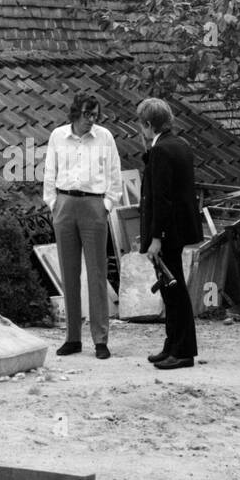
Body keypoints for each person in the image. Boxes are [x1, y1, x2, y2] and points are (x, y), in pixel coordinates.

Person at [43, 93, 122, 358]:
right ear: (76, 113)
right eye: (88, 114)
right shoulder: (57, 136)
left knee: (97, 274)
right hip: (65, 205)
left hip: (94, 206)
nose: (92, 120)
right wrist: (53, 203)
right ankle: (73, 338)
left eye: (96, 115)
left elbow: (114, 174)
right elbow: (49, 172)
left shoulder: (105, 137)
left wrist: (107, 205)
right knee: (69, 274)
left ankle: (100, 340)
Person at [136, 97, 201, 370]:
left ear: (148, 124)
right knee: (169, 289)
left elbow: (161, 198)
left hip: (168, 232)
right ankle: (172, 344)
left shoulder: (162, 150)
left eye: (141, 124)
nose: (140, 129)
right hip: (179, 228)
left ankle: (183, 351)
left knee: (174, 291)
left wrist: (156, 237)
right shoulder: (180, 144)